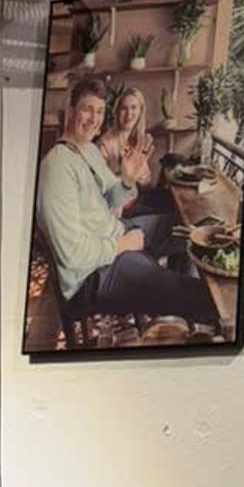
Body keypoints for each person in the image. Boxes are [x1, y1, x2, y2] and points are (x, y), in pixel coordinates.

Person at [34, 76, 215, 332]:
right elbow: (72, 255)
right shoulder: (56, 168)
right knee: (197, 295)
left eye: (100, 111)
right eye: (87, 109)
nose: (94, 119)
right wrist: (123, 244)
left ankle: (179, 317)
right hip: (93, 275)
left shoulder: (88, 150)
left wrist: (127, 180)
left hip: (115, 233)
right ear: (71, 110)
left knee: (190, 230)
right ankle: (186, 306)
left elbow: (112, 199)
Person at [97, 85, 173, 220]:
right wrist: (125, 174)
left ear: (140, 111)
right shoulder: (106, 143)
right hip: (121, 210)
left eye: (133, 108)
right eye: (124, 108)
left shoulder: (137, 138)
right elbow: (100, 189)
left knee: (171, 199)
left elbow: (146, 183)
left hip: (138, 197)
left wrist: (141, 175)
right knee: (170, 218)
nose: (129, 114)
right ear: (117, 112)